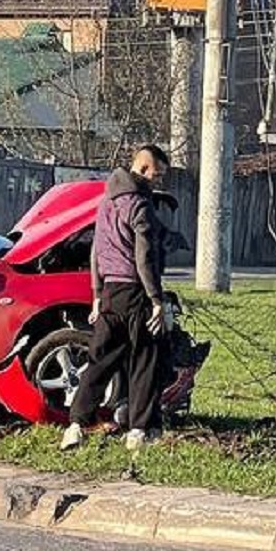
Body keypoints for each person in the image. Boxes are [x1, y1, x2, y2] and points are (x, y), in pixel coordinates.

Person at [61, 143, 171, 453]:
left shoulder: (106, 202)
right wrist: (156, 300)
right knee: (145, 359)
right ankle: (139, 430)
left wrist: (97, 295)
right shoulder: (139, 205)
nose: (157, 181)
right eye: (157, 175)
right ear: (145, 169)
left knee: (100, 361)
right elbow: (144, 255)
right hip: (136, 290)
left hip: (110, 292)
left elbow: (96, 251)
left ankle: (75, 425)